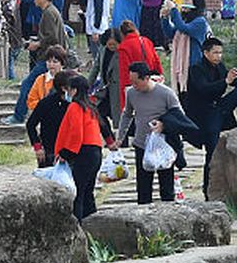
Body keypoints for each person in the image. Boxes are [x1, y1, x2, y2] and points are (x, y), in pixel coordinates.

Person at [185, 37, 237, 191]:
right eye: (215, 53)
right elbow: (204, 90)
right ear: (206, 53)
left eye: (220, 53)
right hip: (204, 114)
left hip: (218, 108)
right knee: (212, 152)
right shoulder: (196, 69)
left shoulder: (219, 67)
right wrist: (225, 81)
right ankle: (208, 188)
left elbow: (232, 82)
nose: (219, 56)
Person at [114, 62, 191, 204]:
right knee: (143, 185)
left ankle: (168, 213)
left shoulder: (166, 93)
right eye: (131, 82)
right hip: (141, 143)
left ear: (146, 78)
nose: (134, 86)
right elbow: (127, 114)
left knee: (166, 185)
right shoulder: (131, 92)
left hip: (163, 144)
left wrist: (164, 124)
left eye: (136, 82)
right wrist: (120, 137)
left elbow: (179, 115)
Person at [51, 74, 105, 220]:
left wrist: (65, 153)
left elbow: (76, 133)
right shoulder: (91, 107)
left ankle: (78, 227)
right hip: (95, 152)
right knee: (88, 193)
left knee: (78, 195)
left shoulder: (75, 107)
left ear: (74, 90)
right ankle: (93, 226)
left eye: (69, 89)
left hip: (83, 153)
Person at [161, 0, 210, 93]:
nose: (184, 4)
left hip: (193, 64)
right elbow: (171, 33)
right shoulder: (184, 20)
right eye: (184, 1)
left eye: (187, 1)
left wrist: (174, 10)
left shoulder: (200, 22)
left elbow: (185, 29)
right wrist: (165, 18)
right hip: (180, 62)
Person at [114, 18, 161, 116]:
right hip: (150, 82)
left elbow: (124, 75)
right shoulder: (146, 41)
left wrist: (125, 103)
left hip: (136, 86)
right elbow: (157, 63)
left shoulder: (123, 47)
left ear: (122, 34)